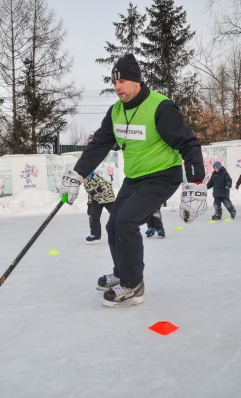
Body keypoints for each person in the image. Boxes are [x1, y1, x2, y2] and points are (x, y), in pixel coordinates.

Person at [56, 53, 206, 307]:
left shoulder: (160, 107)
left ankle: (134, 285)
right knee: (113, 225)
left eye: (122, 81)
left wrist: (196, 183)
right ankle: (122, 273)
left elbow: (189, 144)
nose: (117, 87)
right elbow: (99, 145)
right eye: (114, 82)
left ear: (137, 81)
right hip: (134, 178)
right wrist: (78, 172)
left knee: (126, 222)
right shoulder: (115, 112)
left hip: (161, 177)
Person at [83, 171, 115, 244]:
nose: (83, 180)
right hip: (96, 200)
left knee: (116, 215)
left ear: (89, 176)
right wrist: (89, 204)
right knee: (93, 216)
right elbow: (90, 194)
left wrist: (97, 192)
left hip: (108, 199)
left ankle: (123, 231)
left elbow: (107, 187)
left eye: (84, 178)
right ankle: (95, 235)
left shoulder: (98, 180)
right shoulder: (86, 184)